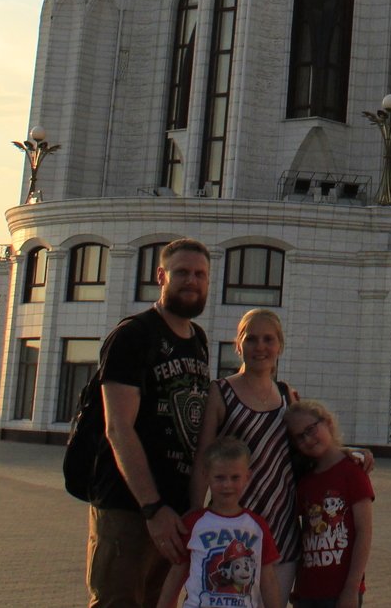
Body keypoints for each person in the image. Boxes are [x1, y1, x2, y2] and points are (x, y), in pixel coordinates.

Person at [88, 239, 214, 608]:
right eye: (182, 273)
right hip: (130, 507)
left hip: (174, 511)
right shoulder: (134, 336)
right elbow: (118, 428)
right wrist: (152, 508)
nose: (192, 281)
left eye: (200, 274)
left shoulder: (199, 340)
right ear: (161, 276)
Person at [190, 309, 301, 600]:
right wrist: (195, 516)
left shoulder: (287, 395)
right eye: (251, 339)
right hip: (230, 531)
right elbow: (203, 459)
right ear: (237, 345)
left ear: (280, 345)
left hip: (281, 530)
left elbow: (313, 445)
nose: (260, 347)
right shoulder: (220, 392)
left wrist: (351, 456)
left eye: (268, 339)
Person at [156, 437, 283, 608]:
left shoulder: (257, 525)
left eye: (235, 477)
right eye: (220, 478)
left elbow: (268, 578)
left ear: (247, 477)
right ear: (206, 476)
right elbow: (176, 574)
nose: (227, 485)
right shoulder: (193, 523)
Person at [287, 399, 373, 608]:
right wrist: (298, 587)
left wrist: (352, 588)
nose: (308, 439)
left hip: (341, 590)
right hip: (309, 591)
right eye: (300, 436)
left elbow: (364, 532)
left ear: (327, 422)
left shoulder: (352, 472)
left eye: (311, 429)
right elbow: (304, 536)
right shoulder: (305, 481)